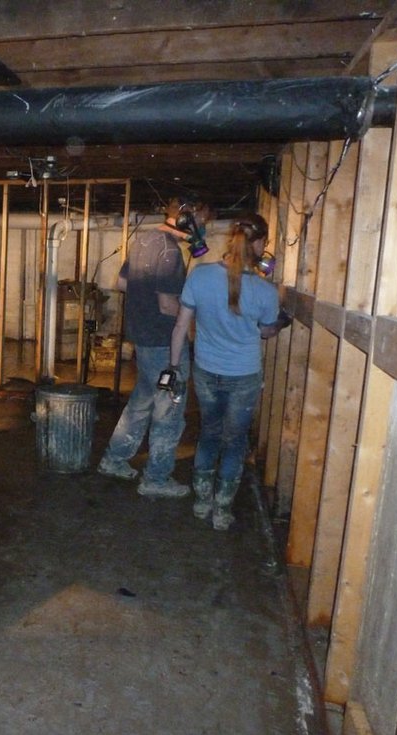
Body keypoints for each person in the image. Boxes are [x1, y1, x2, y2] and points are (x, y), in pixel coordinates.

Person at [167, 212, 290, 530]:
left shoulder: (200, 276)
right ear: (260, 244)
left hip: (207, 370)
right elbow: (265, 332)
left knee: (209, 433)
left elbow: (181, 325)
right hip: (244, 376)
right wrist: (281, 320)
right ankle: (222, 509)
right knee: (234, 440)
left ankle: (201, 501)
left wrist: (173, 367)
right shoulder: (265, 291)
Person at [96, 198, 207, 498]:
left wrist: (145, 303)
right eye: (202, 220)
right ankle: (156, 479)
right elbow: (168, 304)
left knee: (142, 401)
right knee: (169, 410)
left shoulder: (144, 240)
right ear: (189, 220)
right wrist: (197, 319)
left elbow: (121, 283)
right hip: (163, 342)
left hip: (143, 339)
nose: (204, 228)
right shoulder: (170, 251)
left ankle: (114, 459)